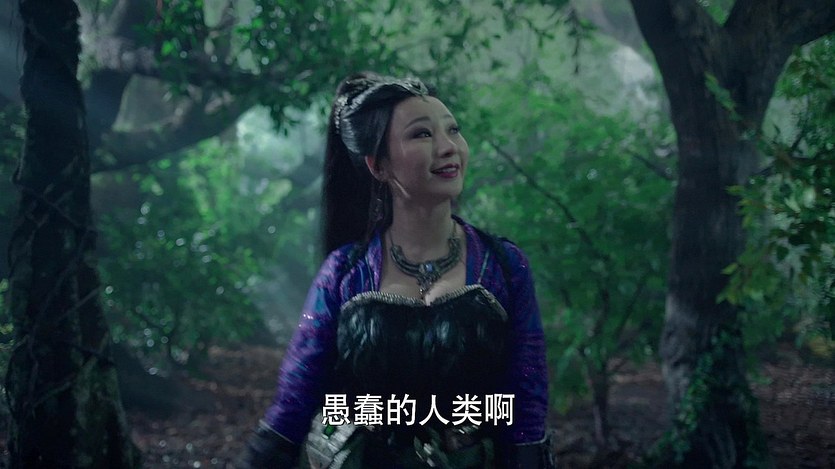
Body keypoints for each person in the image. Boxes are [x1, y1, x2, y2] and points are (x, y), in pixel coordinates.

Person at [240, 72, 551, 468]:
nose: (448, 147)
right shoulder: (344, 274)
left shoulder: (503, 266)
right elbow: (296, 395)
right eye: (422, 134)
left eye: (453, 130)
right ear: (378, 165)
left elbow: (526, 399)